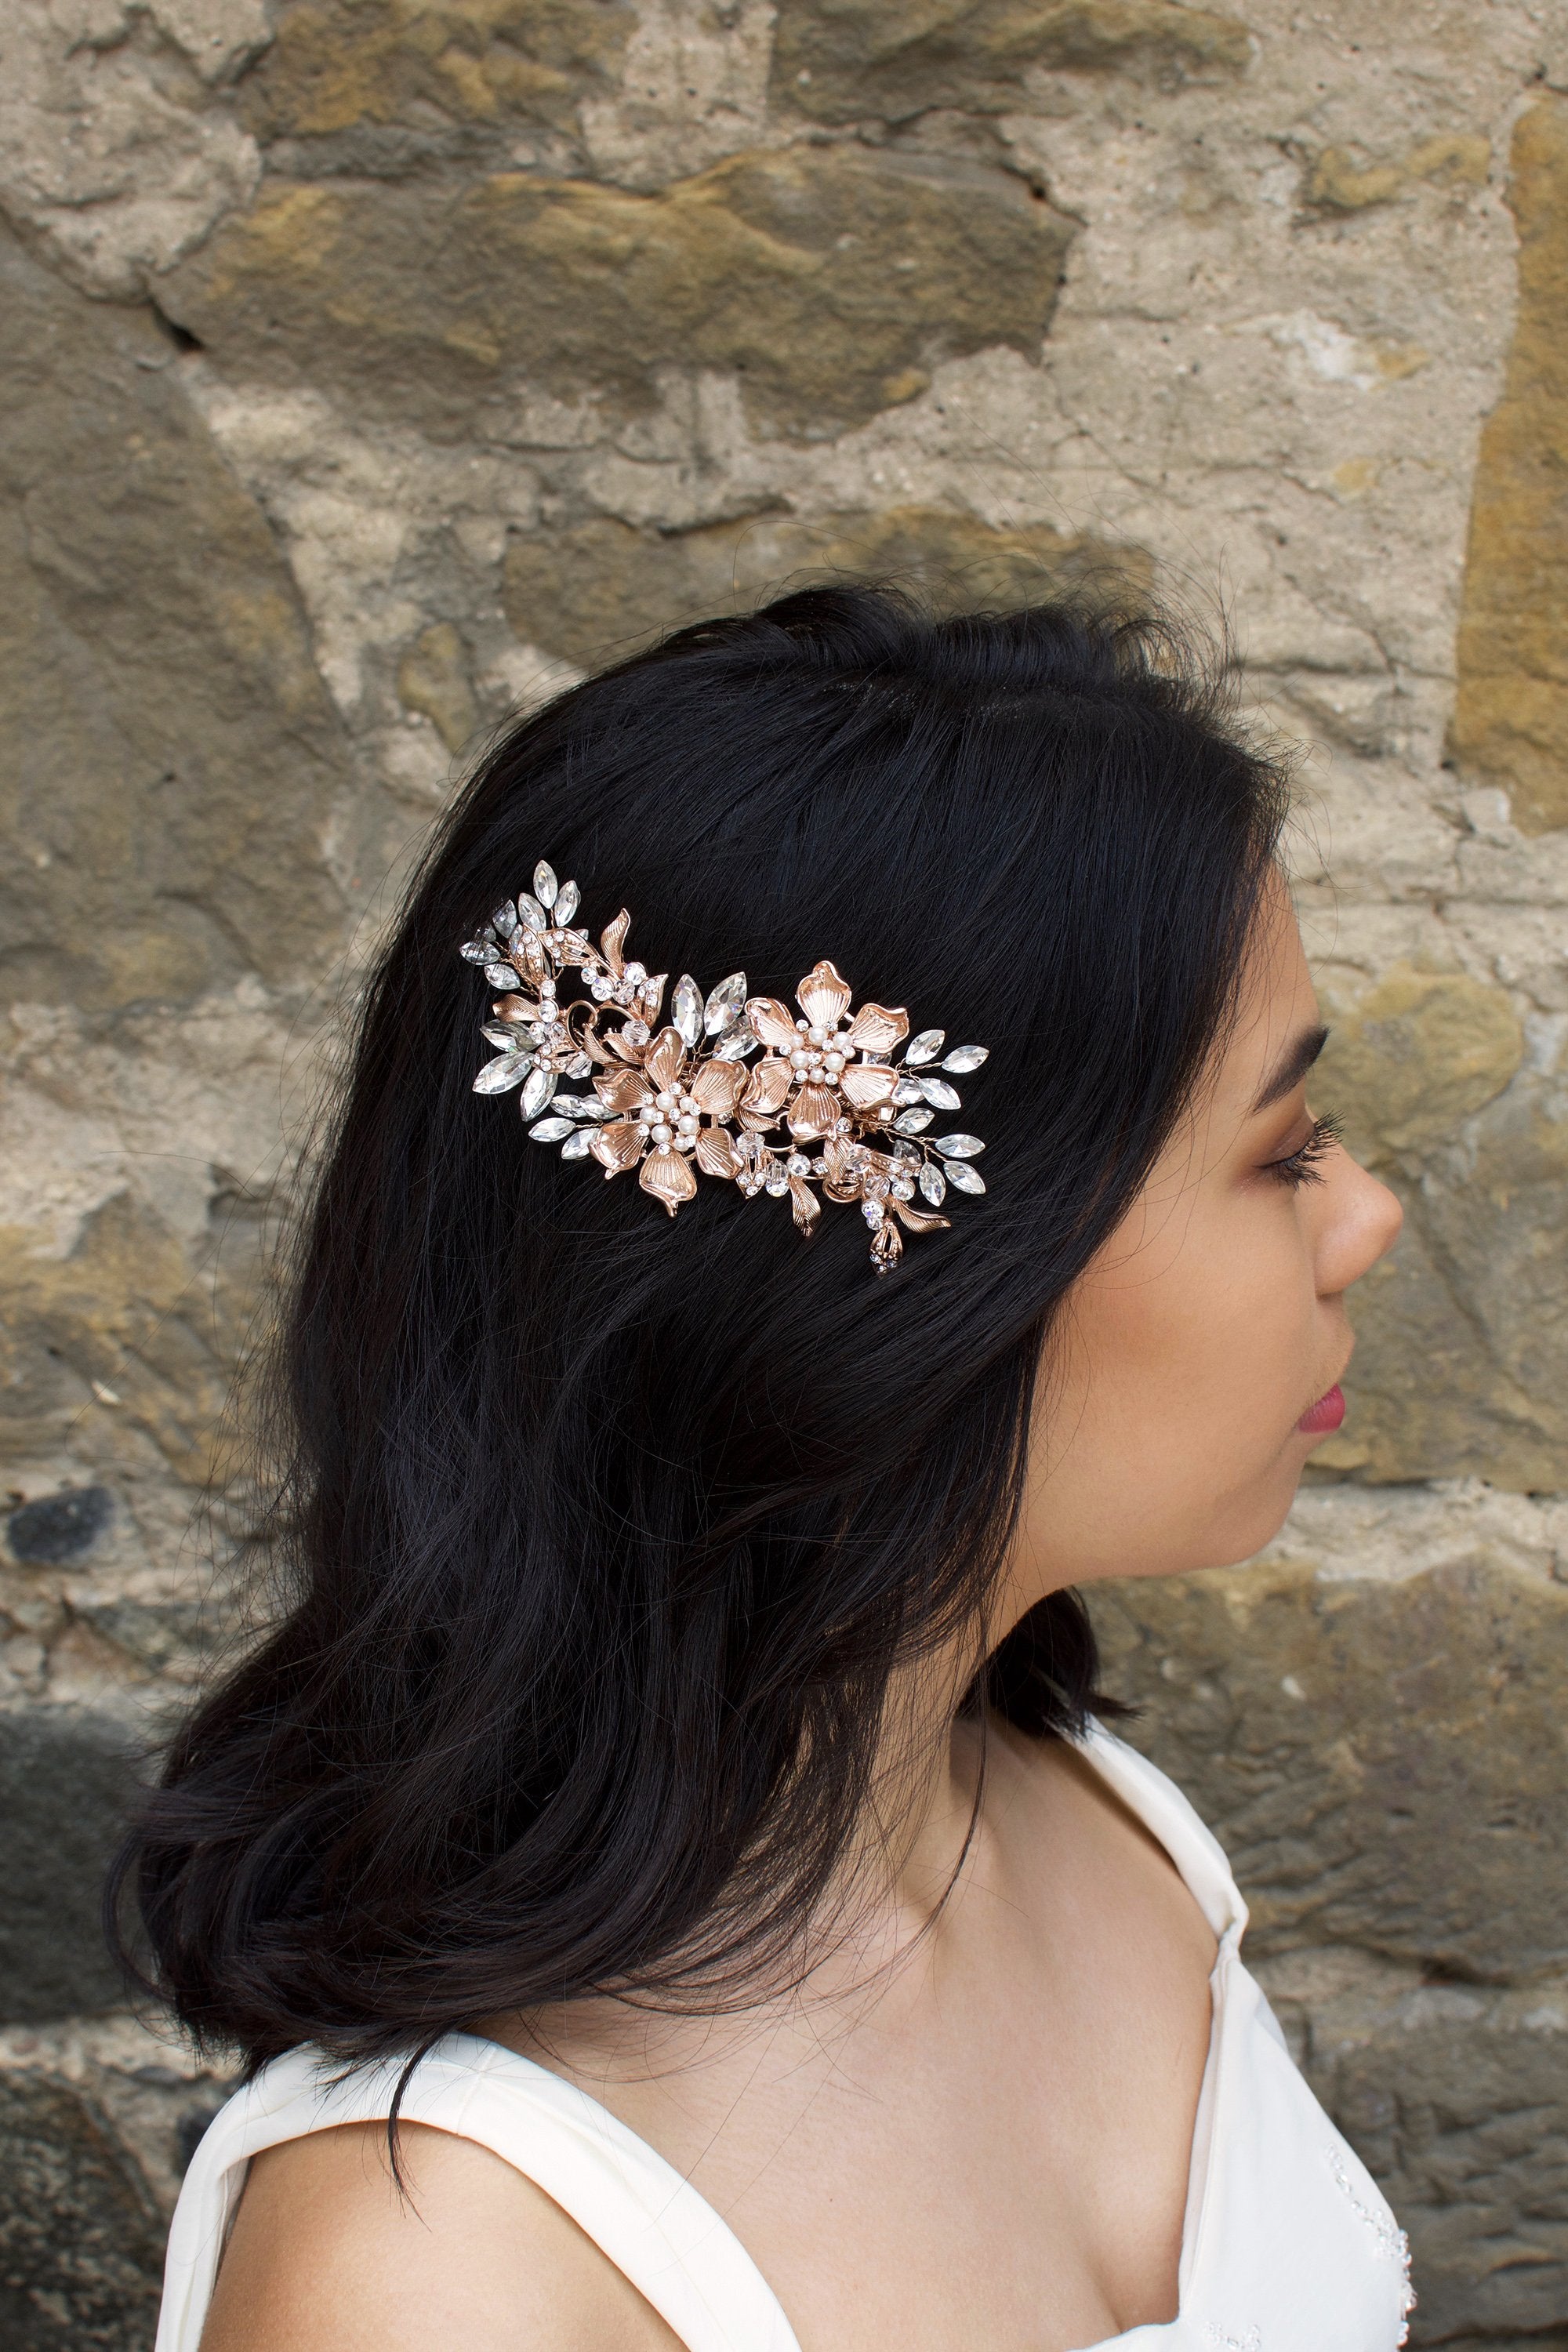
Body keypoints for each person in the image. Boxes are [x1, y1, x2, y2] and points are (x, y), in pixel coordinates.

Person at [121, 587, 1410, 2352]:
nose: (1365, 1217)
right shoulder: (439, 2283)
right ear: (903, 1294)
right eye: (1280, 1149)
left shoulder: (1082, 1816)